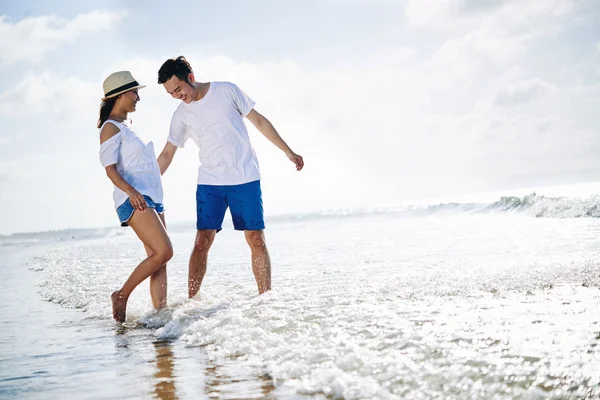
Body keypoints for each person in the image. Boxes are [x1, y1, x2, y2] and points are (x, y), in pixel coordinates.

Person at [156, 56, 304, 298]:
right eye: (171, 93)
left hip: (245, 177)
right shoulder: (181, 115)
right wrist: (143, 187)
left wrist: (288, 151)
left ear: (190, 79)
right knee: (202, 241)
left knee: (256, 239)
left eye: (178, 89)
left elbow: (259, 121)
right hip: (210, 183)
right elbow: (167, 154)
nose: (176, 96)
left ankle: (265, 300)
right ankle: (192, 301)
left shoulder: (226, 90)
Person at [98, 71, 173, 322]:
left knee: (158, 259)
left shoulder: (127, 126)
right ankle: (122, 295)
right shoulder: (110, 128)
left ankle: (160, 315)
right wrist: (132, 192)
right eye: (134, 92)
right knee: (164, 251)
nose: (138, 97)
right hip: (134, 199)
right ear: (120, 95)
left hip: (152, 197)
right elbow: (110, 170)